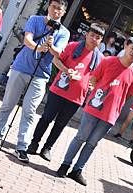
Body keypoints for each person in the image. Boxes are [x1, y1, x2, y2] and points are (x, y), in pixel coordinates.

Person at [0, 0, 70, 163]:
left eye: (59, 9)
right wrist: (39, 47)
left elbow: (58, 52)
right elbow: (27, 40)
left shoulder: (63, 32)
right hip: (21, 68)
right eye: (53, 7)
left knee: (29, 111)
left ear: (64, 12)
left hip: (40, 75)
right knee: (8, 104)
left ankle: (21, 146)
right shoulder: (34, 19)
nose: (56, 11)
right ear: (48, 7)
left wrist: (51, 47)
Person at [57, 37, 133, 185]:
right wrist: (100, 93)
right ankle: (65, 165)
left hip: (111, 114)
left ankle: (77, 170)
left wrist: (115, 102)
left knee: (92, 143)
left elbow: (129, 93)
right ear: (126, 46)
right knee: (80, 137)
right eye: (132, 48)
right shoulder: (108, 61)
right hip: (94, 108)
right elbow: (93, 79)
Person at [26, 23, 104, 161]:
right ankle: (34, 143)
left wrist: (92, 86)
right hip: (58, 90)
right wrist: (66, 70)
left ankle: (47, 148)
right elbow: (56, 60)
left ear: (100, 41)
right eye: (92, 35)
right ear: (87, 35)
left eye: (97, 37)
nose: (94, 39)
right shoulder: (73, 46)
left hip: (76, 97)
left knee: (60, 124)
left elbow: (98, 79)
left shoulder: (100, 59)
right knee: (46, 117)